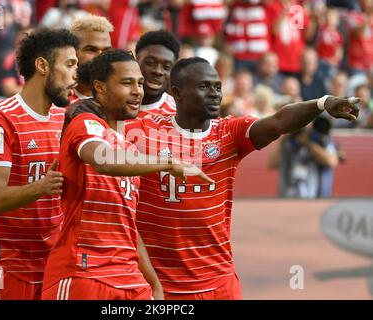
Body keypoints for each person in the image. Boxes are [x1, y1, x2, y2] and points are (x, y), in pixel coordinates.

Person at [125, 57, 359, 299]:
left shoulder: (229, 132)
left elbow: (279, 121)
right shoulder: (143, 131)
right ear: (177, 93)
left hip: (220, 283)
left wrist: (321, 103)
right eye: (204, 87)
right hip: (163, 287)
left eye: (217, 86)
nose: (215, 94)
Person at [41, 50, 212, 300]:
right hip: (84, 273)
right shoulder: (86, 124)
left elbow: (127, 223)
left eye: (140, 83)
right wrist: (169, 164)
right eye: (126, 83)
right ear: (99, 87)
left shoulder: (130, 150)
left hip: (130, 279)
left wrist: (153, 283)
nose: (137, 91)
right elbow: (103, 160)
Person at [0, 28, 79, 300]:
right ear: (42, 65)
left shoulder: (66, 119)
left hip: (55, 264)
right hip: (10, 264)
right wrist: (42, 187)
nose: (75, 75)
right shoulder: (0, 119)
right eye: (69, 64)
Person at [270, 116, 339, 198]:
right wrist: (282, 139)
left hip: (316, 197)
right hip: (288, 196)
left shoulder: (322, 139)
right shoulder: (288, 141)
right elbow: (271, 164)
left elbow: (331, 161)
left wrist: (308, 143)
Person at [69, 13, 113, 104]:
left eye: (106, 50)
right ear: (73, 52)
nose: (101, 57)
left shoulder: (117, 102)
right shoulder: (55, 102)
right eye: (91, 50)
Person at [134, 30, 179, 118]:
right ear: (135, 62)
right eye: (150, 63)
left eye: (166, 67)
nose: (158, 71)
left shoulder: (179, 117)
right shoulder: (111, 106)